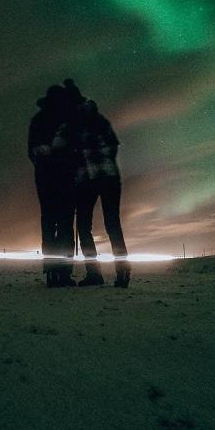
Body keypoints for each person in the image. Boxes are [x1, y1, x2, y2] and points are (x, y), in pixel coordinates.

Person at [66, 79, 131, 288]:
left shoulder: (77, 123)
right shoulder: (99, 119)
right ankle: (121, 272)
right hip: (110, 177)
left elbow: (71, 149)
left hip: (90, 180)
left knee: (85, 226)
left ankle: (95, 273)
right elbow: (113, 146)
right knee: (112, 225)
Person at [28, 85, 77, 287]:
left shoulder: (37, 121)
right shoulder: (67, 122)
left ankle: (51, 271)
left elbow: (31, 153)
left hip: (44, 179)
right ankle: (64, 272)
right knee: (65, 224)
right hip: (65, 180)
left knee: (49, 223)